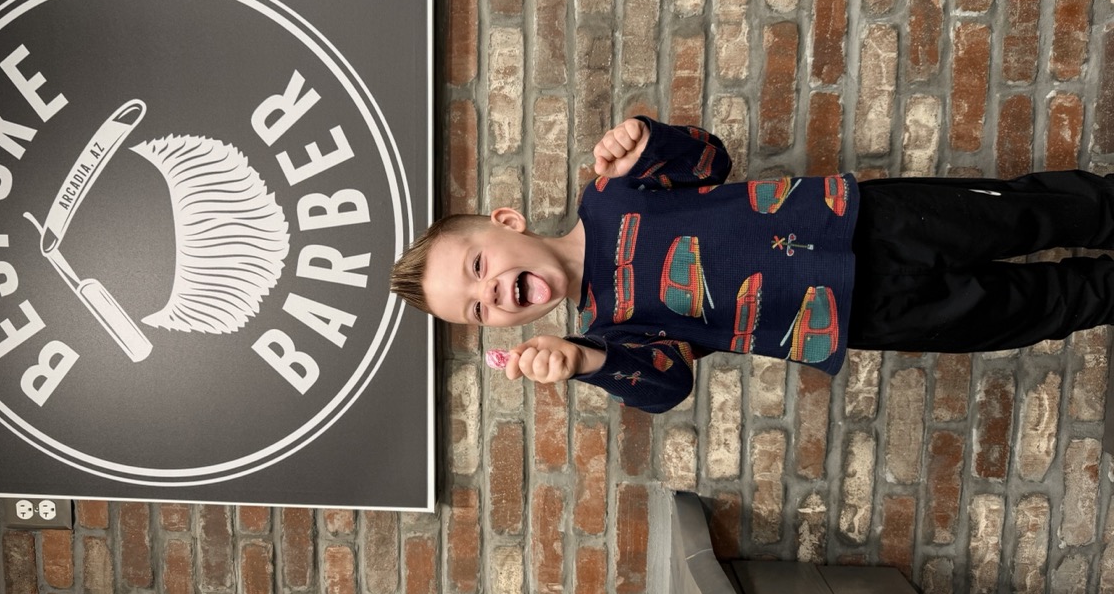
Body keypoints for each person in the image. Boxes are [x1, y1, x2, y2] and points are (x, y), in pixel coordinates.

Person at [390, 116, 1114, 413]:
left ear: (507, 221)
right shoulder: (611, 337)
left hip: (868, 219)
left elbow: (711, 161)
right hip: (858, 316)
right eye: (479, 307)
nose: (493, 292)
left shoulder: (610, 192)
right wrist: (582, 364)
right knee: (1041, 307)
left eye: (480, 265)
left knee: (1037, 211)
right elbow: (668, 384)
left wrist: (648, 137)